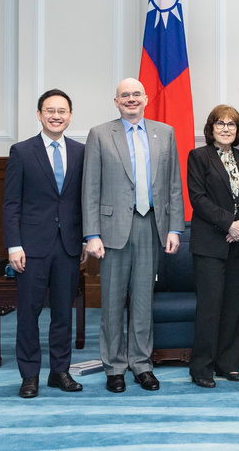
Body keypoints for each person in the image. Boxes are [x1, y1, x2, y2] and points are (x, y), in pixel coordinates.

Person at [82, 78, 184, 393]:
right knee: (112, 302)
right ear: (116, 101)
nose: (131, 99)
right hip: (111, 232)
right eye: (124, 95)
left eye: (136, 94)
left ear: (146, 98)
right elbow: (90, 188)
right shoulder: (100, 134)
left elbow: (173, 186)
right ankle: (114, 367)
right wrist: (92, 234)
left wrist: (174, 227)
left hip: (151, 225)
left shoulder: (164, 133)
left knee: (143, 302)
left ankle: (141, 365)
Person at [2, 89, 87, 399]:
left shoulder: (80, 152)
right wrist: (14, 245)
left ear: (70, 116)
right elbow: (11, 203)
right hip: (31, 247)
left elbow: (83, 201)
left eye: (62, 111)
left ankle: (60, 372)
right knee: (29, 313)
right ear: (39, 115)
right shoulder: (22, 151)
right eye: (50, 110)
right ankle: (29, 375)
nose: (56, 115)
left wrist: (85, 241)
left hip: (68, 246)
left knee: (64, 312)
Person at [185, 105, 239, 388]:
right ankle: (201, 367)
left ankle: (228, 363)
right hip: (210, 245)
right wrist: (230, 224)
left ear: (238, 131)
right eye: (220, 123)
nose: (226, 128)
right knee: (210, 307)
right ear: (211, 128)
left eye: (231, 124)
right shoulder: (199, 157)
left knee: (231, 306)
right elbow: (198, 199)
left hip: (237, 244)